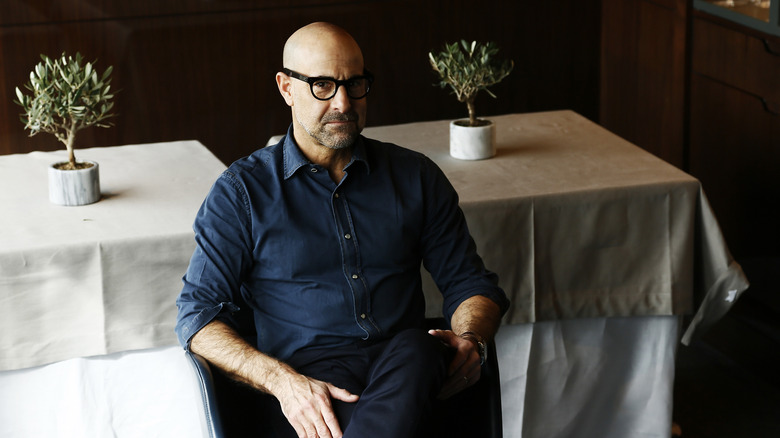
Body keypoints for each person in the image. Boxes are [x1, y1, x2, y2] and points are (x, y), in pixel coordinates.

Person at [175, 22, 509, 438]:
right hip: (313, 388)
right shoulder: (242, 193)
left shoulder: (416, 177)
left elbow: (470, 282)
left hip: (407, 370)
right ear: (286, 88)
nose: (343, 102)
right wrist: (284, 383)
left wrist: (471, 340)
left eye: (355, 84)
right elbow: (198, 315)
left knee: (424, 348)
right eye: (322, 85)